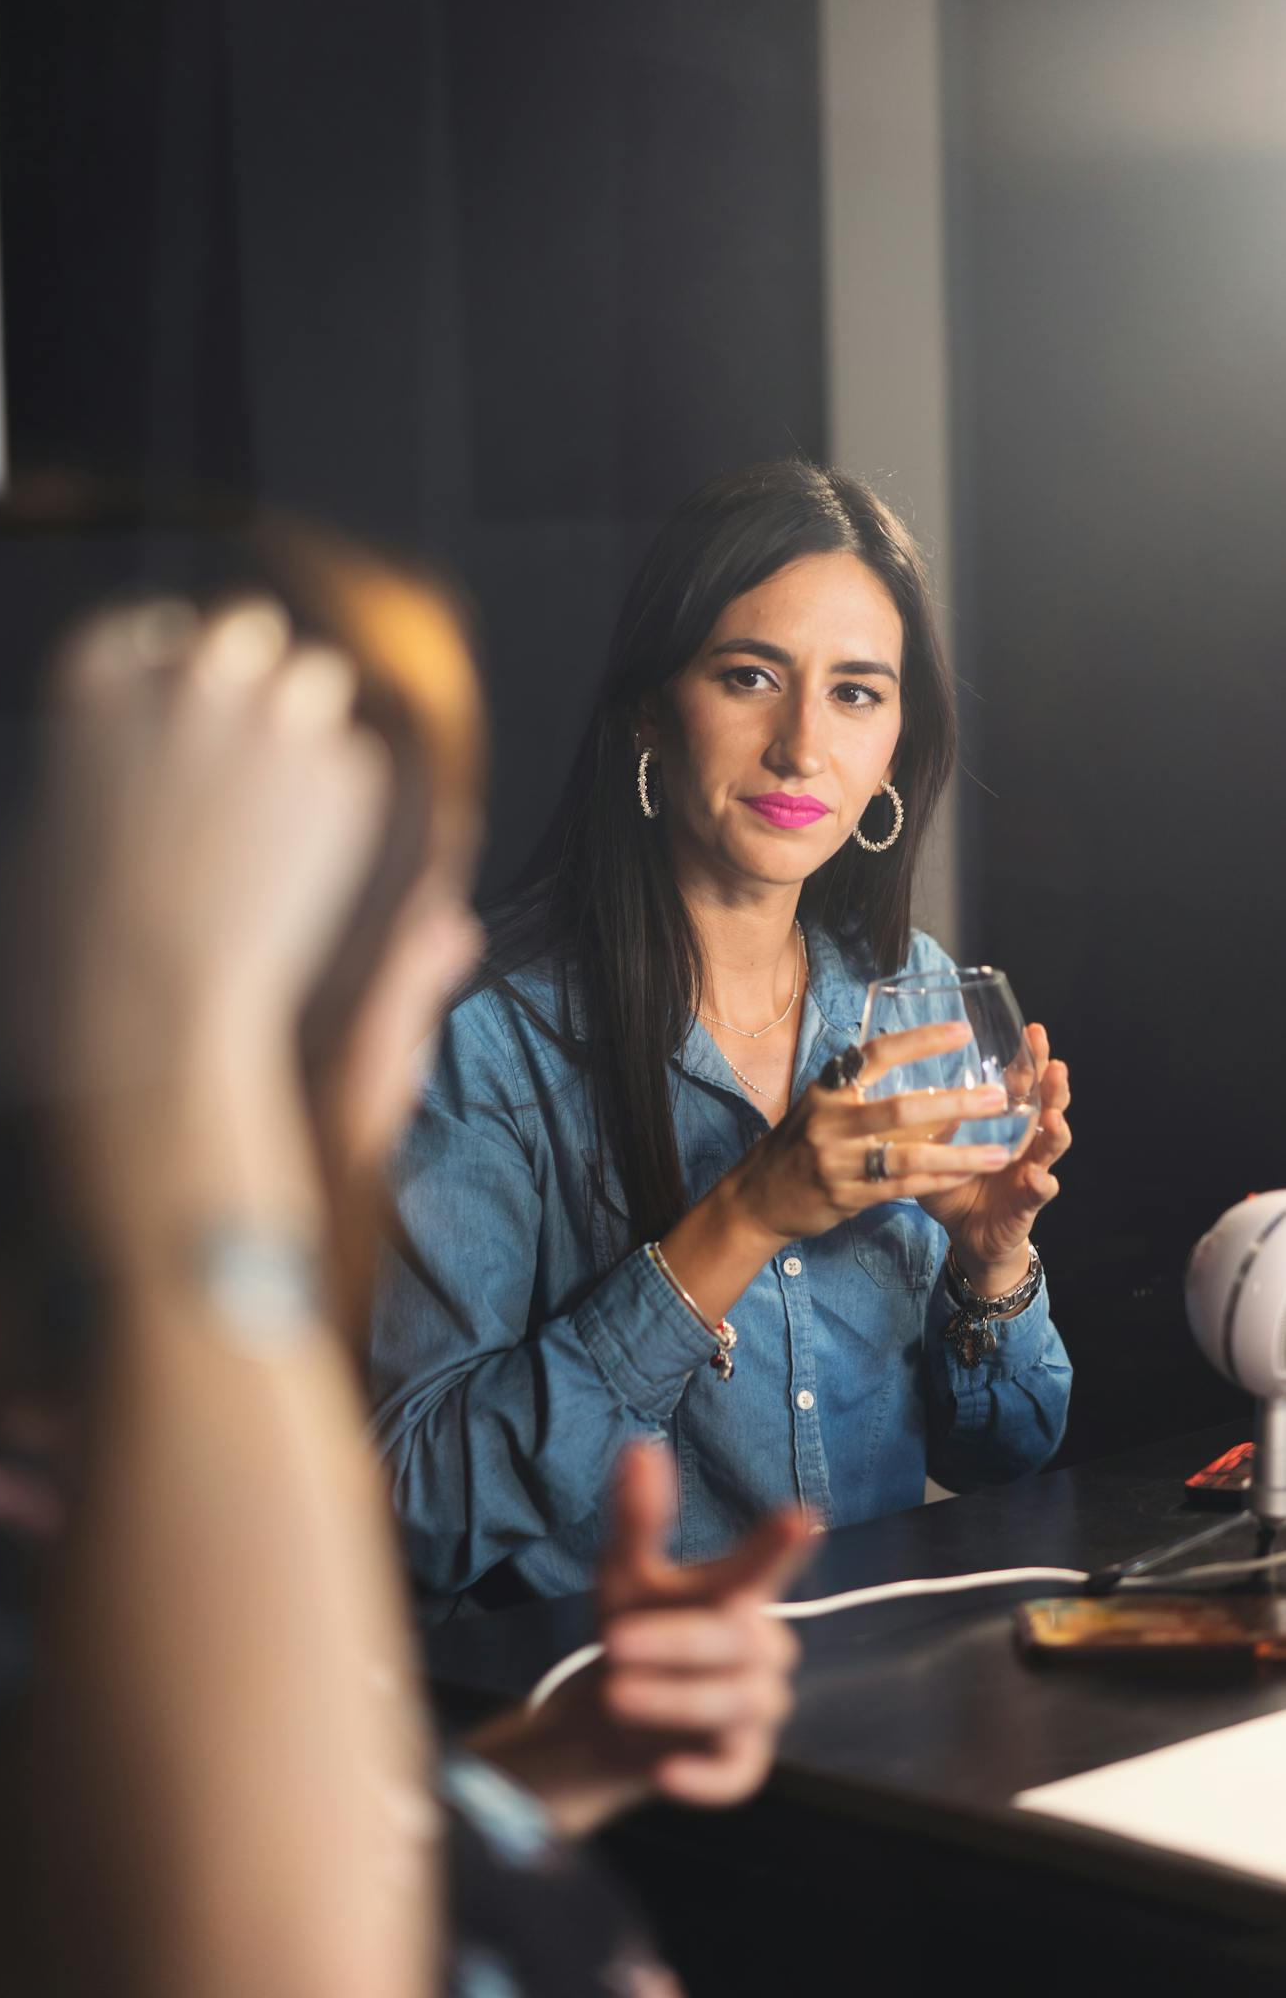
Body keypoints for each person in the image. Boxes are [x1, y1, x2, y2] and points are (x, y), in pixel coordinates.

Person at [0, 510, 810, 1998]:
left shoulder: (89, 1457)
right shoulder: (14, 1530)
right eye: (380, 883)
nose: (448, 947)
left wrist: (542, 1770)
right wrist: (192, 1058)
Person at [372, 458, 1075, 1619]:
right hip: (611, 1720)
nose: (804, 746)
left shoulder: (919, 994)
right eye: (752, 676)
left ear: (897, 741)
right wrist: (749, 1211)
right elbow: (420, 1510)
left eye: (857, 692)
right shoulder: (487, 1036)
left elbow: (1013, 1454)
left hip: (884, 1701)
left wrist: (991, 1263)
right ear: (653, 705)